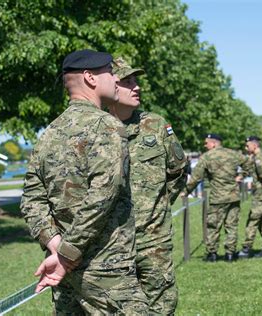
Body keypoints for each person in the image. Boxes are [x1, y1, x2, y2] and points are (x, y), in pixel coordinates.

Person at [20, 49, 149, 314]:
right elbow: (102, 196)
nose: (116, 80)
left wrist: (55, 244)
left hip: (64, 272)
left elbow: (31, 200)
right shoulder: (108, 126)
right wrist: (66, 254)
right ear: (90, 78)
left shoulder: (49, 134)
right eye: (111, 73)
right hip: (106, 270)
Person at [107, 57, 187, 315]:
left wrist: (158, 205)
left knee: (161, 304)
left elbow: (178, 170)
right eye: (127, 81)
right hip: (111, 240)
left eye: (136, 80)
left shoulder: (155, 124)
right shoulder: (96, 128)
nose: (136, 86)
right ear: (109, 85)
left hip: (153, 237)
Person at [184, 134, 249, 262]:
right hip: (233, 196)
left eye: (206, 143)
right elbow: (248, 163)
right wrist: (241, 175)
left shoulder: (206, 157)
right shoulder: (233, 154)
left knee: (213, 226)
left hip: (217, 198)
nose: (205, 145)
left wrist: (186, 191)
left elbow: (196, 177)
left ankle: (212, 254)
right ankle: (230, 254)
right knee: (232, 226)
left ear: (213, 144)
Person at [238, 136, 262, 258]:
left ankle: (246, 249)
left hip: (261, 195)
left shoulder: (258, 159)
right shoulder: (260, 157)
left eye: (247, 146)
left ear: (255, 145)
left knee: (252, 221)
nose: (245, 148)